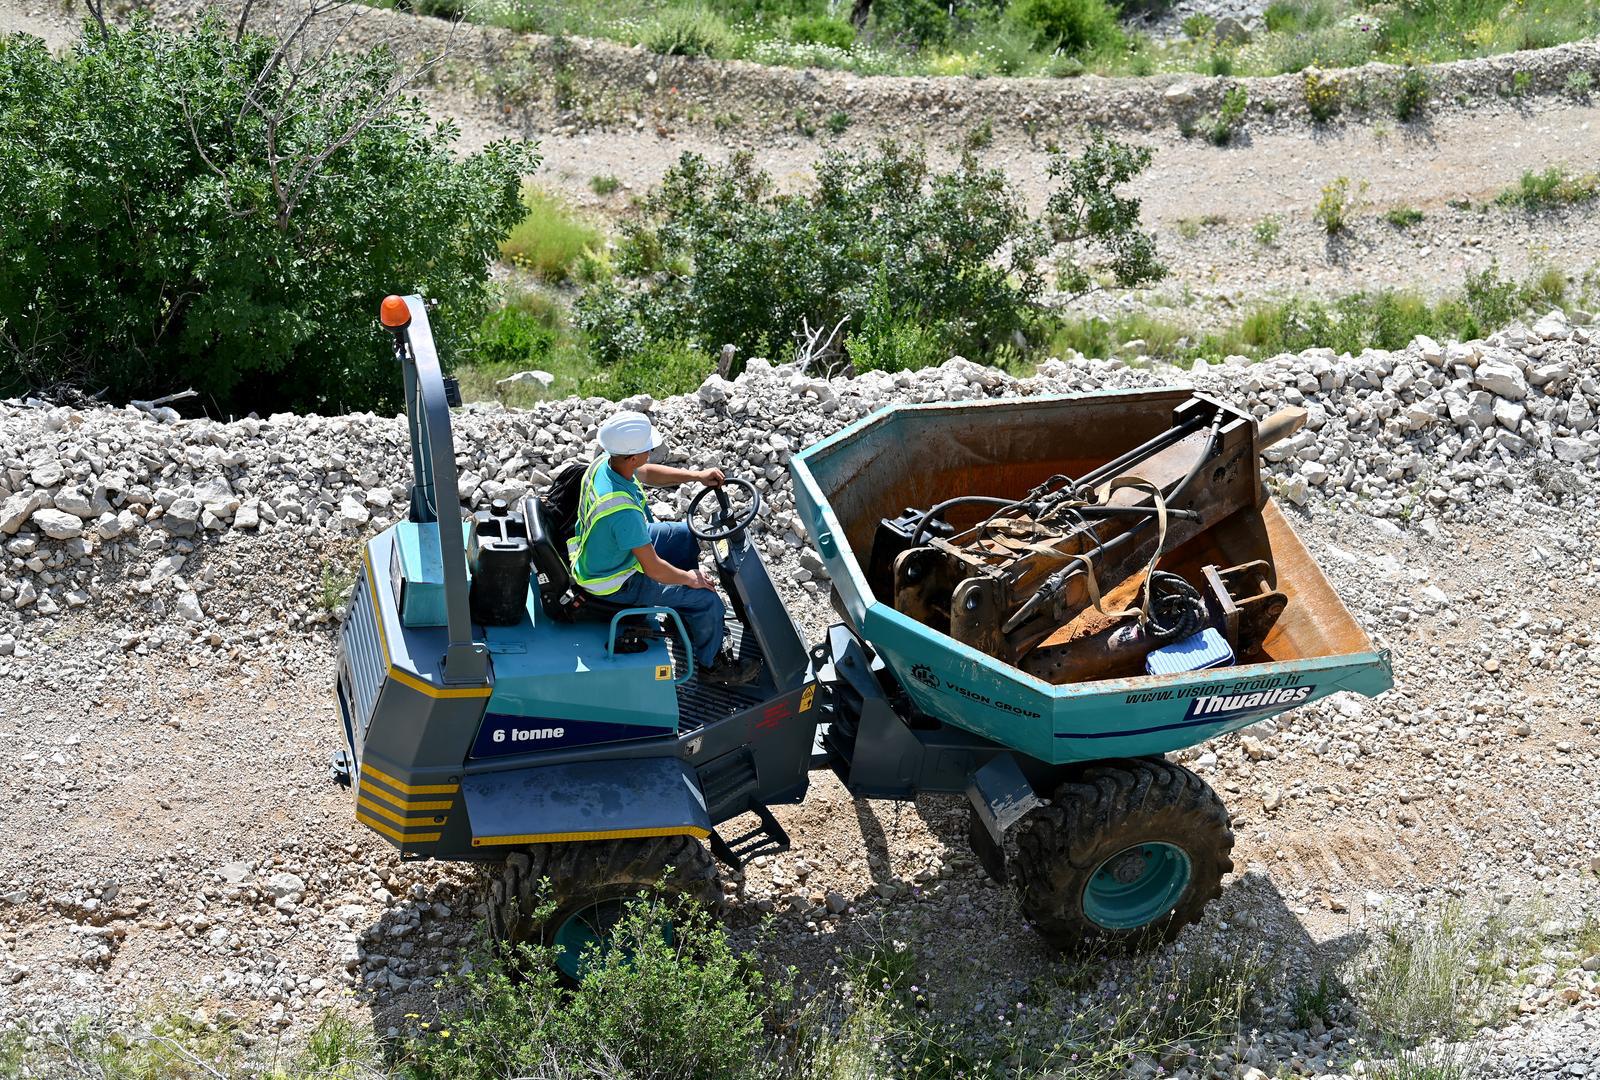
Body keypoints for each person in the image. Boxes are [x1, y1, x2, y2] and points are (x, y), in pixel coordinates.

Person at [566, 410, 761, 687]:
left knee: (684, 536)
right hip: (613, 580)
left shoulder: (606, 462)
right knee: (707, 600)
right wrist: (690, 579)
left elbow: (647, 473)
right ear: (632, 456)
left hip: (608, 551)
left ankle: (681, 617)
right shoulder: (621, 510)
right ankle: (713, 667)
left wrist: (696, 476)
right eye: (648, 447)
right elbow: (654, 569)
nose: (652, 450)